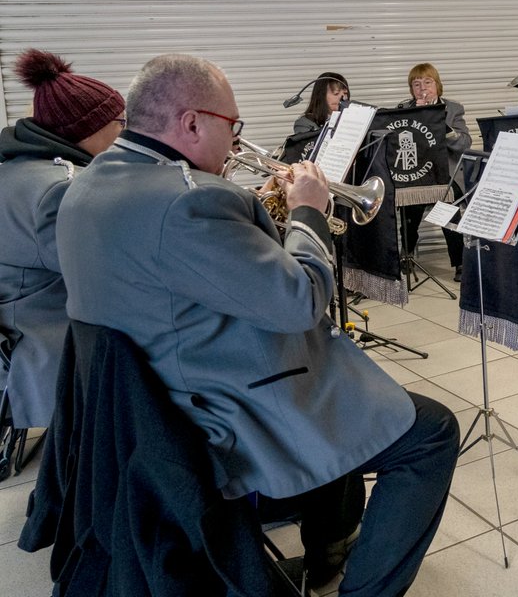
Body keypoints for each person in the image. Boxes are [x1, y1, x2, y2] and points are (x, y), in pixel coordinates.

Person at [55, 54, 459, 595]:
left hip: (145, 413)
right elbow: (300, 302)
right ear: (192, 122)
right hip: (217, 420)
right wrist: (308, 211)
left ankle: (330, 544)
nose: (236, 141)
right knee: (431, 431)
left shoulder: (84, 186)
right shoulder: (188, 202)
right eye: (232, 127)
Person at [0, 49, 125, 433]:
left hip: (20, 323)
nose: (127, 131)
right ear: (88, 130)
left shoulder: (17, 168)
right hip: (50, 341)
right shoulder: (57, 189)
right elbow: (106, 276)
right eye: (120, 122)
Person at [398, 63, 472, 281]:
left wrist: (442, 126)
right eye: (416, 84)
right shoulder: (403, 109)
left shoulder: (453, 109)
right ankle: (407, 255)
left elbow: (465, 143)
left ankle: (460, 262)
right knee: (408, 206)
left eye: (428, 83)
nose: (422, 88)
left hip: (445, 173)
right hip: (417, 173)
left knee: (450, 205)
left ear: (438, 86)